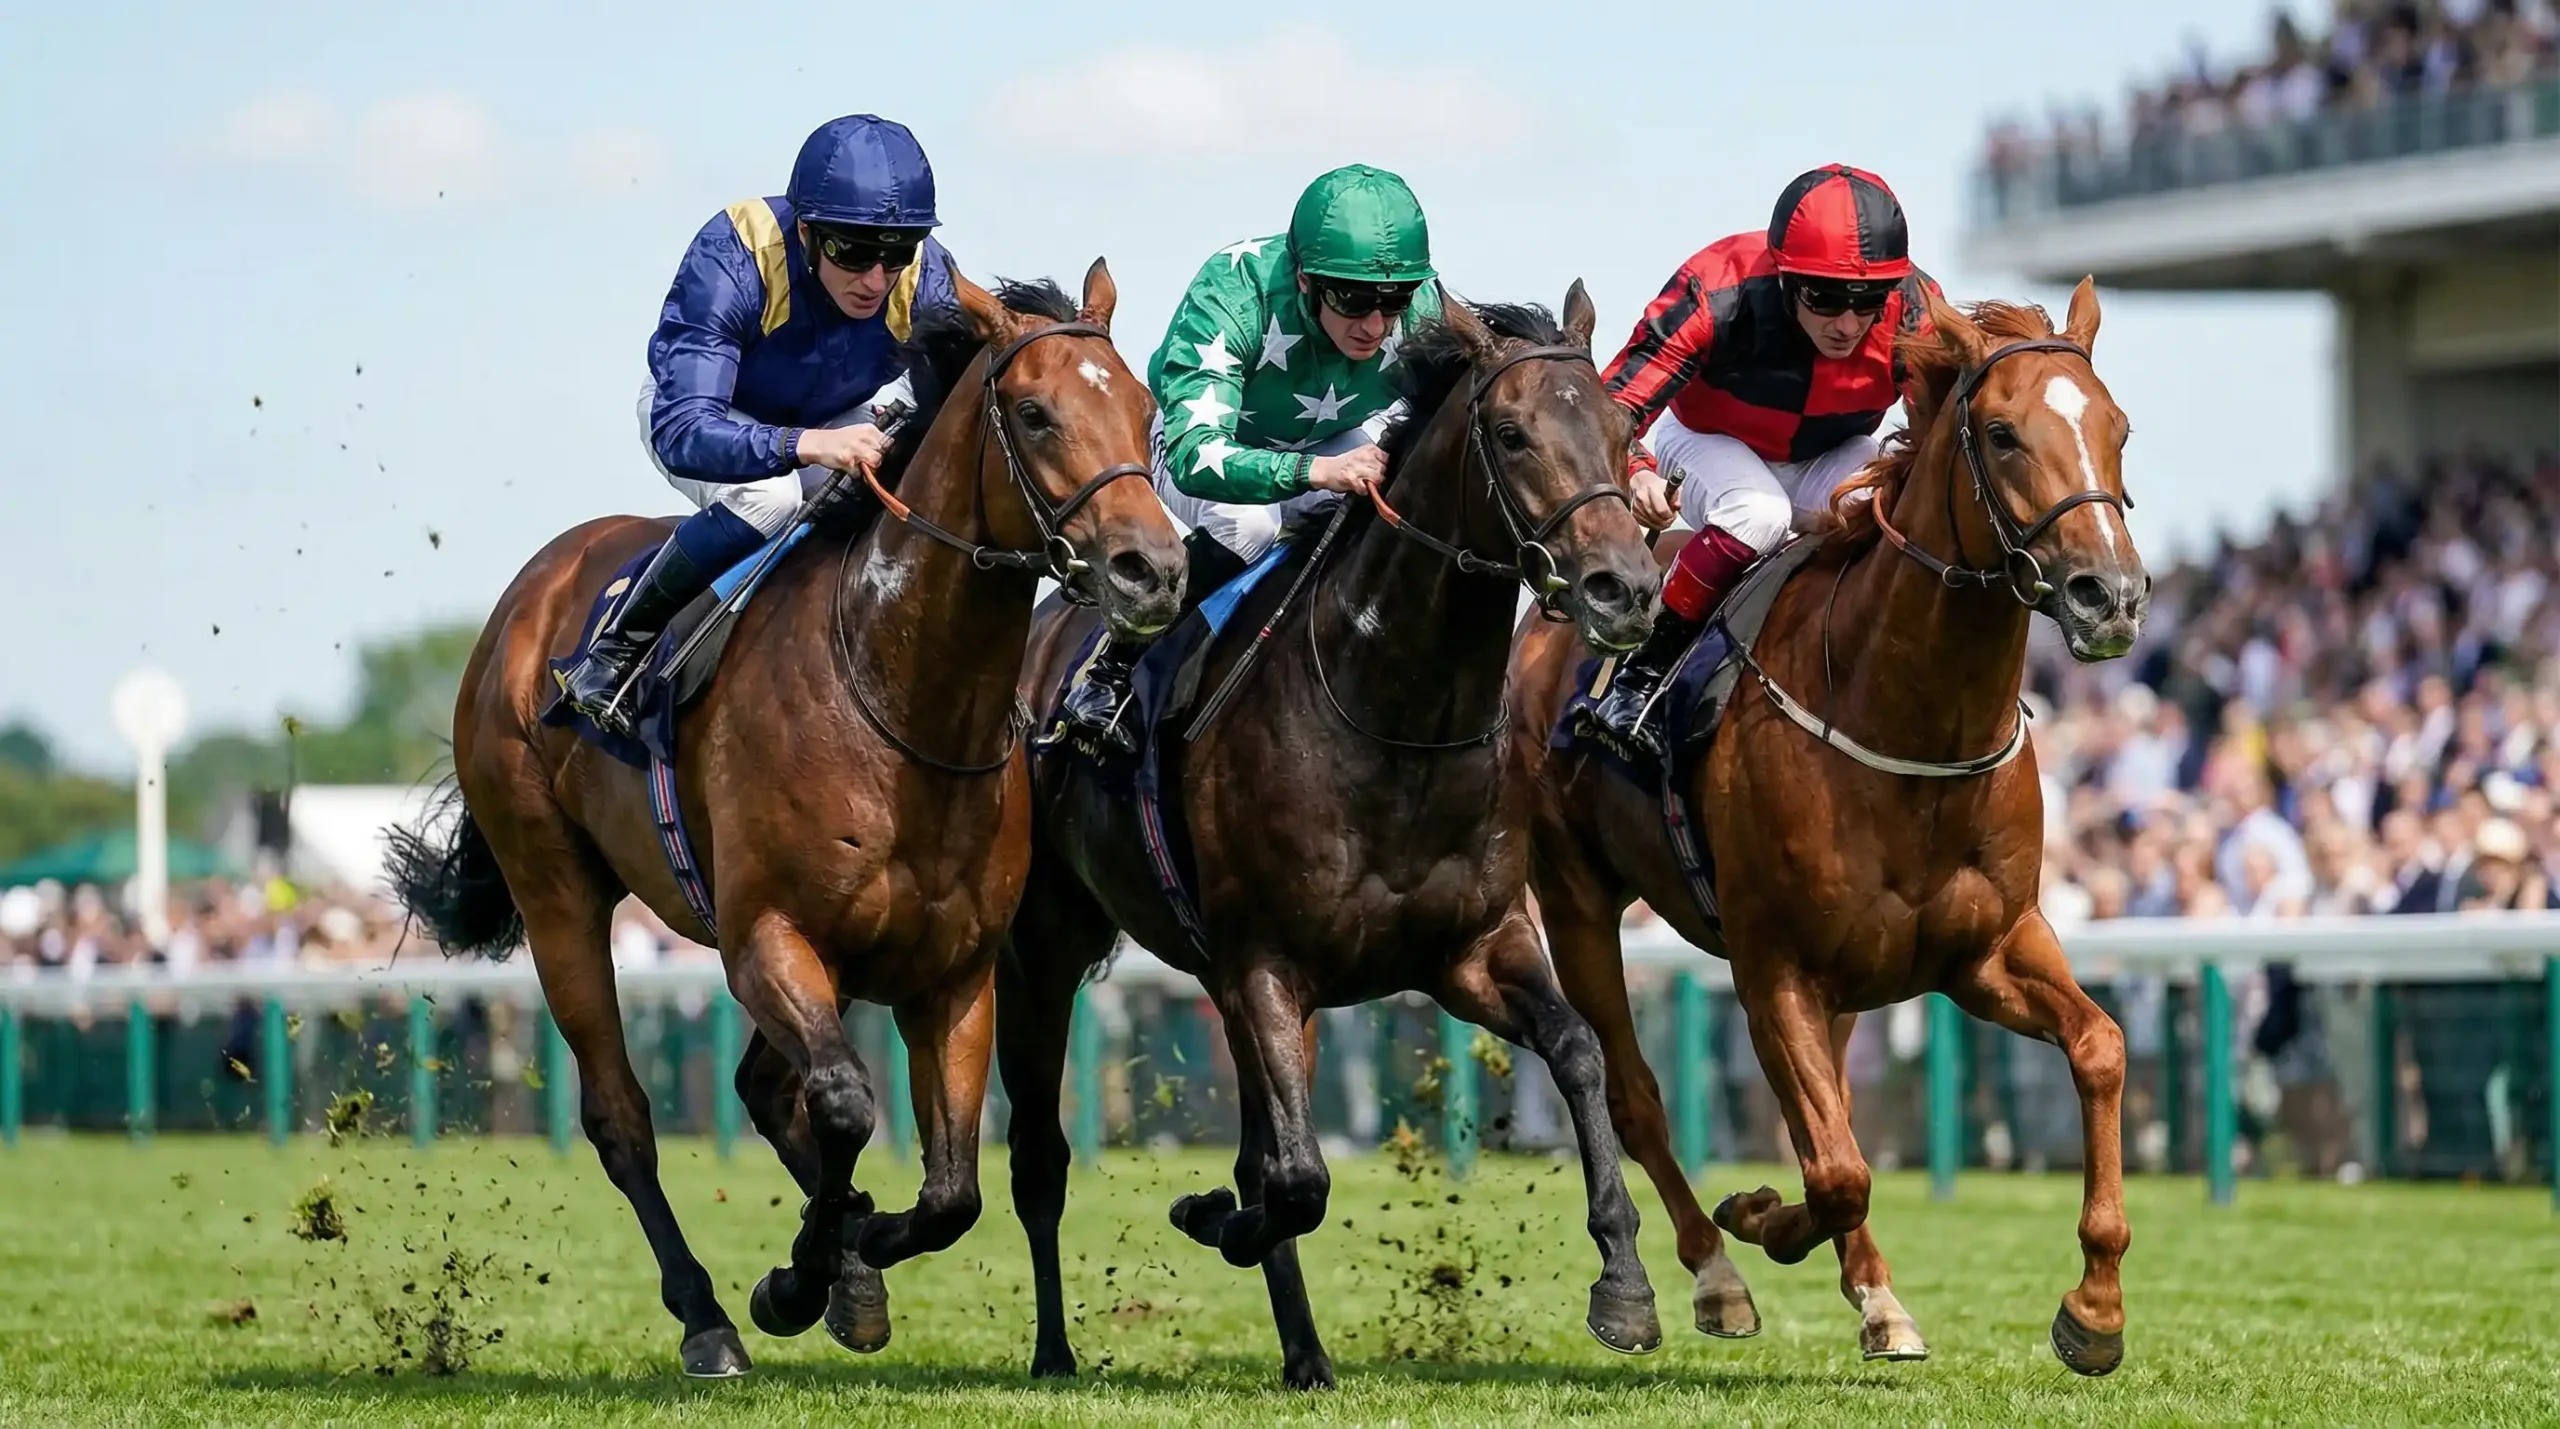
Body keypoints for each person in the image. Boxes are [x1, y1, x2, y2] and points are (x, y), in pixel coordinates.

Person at [558, 114, 959, 735]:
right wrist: (803, 445)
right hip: (703, 411)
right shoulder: (736, 254)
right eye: (852, 252)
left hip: (833, 415)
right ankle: (618, 650)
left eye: (895, 254)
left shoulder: (925, 278)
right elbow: (685, 430)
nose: (876, 280)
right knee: (772, 497)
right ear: (807, 233)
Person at [1051, 164, 1443, 751]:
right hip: (1195, 441)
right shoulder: (1234, 291)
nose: (1376, 324)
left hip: (1327, 438)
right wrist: (1314, 472)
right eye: (1354, 299)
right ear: (1306, 280)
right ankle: (1112, 669)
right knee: (1250, 523)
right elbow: (1197, 457)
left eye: (1394, 301)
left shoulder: (1422, 307)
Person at [1589, 165, 1940, 754]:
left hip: (1828, 452)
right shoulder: (1717, 286)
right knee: (1759, 512)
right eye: (1825, 299)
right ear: (1784, 277)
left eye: (1866, 302)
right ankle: (1642, 678)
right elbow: (1612, 408)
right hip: (1706, 441)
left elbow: (1941, 432)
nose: (1849, 324)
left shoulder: (1911, 307)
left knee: (1894, 508)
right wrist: (1636, 470)